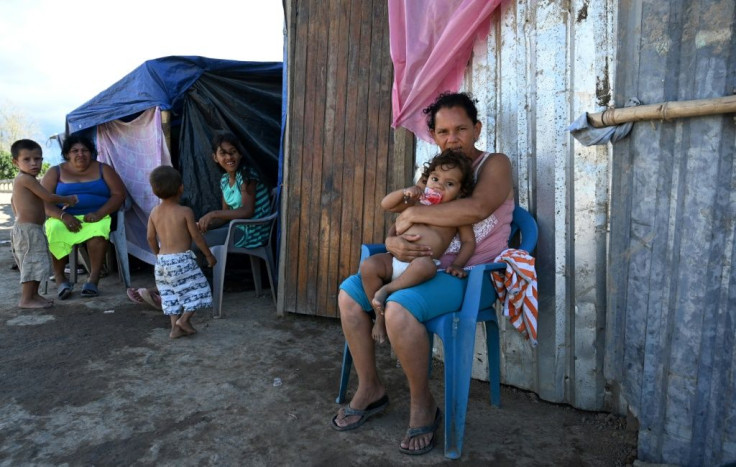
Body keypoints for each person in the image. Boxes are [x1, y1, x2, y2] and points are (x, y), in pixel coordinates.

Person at [331, 92, 515, 456]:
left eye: (461, 129)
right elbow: (403, 213)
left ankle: (423, 404)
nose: (453, 138)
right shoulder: (435, 172)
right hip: (417, 264)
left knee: (399, 308)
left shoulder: (494, 164)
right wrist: (393, 240)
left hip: (469, 274)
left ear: (476, 129)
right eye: (443, 131)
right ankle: (370, 388)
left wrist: (413, 217)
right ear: (433, 135)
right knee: (350, 296)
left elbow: (476, 208)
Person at [361, 149, 475, 344]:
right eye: (435, 179)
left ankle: (387, 289)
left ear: (461, 192)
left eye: (449, 184)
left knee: (427, 266)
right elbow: (385, 204)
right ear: (427, 178)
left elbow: (468, 241)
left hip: (419, 268)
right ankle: (379, 318)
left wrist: (458, 264)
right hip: (395, 260)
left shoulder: (456, 213)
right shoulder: (418, 202)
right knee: (368, 266)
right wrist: (405, 192)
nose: (439, 187)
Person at [41, 135, 126, 299]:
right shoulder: (55, 172)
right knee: (54, 229)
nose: (80, 154)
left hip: (96, 216)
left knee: (98, 231)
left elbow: (119, 194)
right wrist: (63, 215)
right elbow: (43, 202)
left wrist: (99, 213)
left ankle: (93, 280)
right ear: (67, 154)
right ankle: (60, 279)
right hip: (63, 218)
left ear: (91, 153)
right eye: (75, 151)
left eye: (84, 150)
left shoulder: (103, 169)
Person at [147, 165, 216, 339]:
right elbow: (196, 237)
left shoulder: (154, 212)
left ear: (155, 192)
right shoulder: (185, 211)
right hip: (181, 260)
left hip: (162, 261)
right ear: (181, 188)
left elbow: (150, 238)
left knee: (171, 295)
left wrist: (158, 255)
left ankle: (174, 328)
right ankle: (184, 320)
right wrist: (208, 255)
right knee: (199, 289)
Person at [10, 139, 78, 308]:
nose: (34, 163)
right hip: (28, 231)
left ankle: (34, 295)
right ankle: (26, 299)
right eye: (27, 159)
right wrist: (67, 199)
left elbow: (13, 202)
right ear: (15, 162)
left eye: (38, 159)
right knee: (31, 263)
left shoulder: (24, 179)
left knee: (37, 262)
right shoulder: (26, 179)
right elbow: (48, 197)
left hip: (30, 229)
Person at [195, 132, 271, 252]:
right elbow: (225, 215)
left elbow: (247, 211)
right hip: (237, 227)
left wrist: (213, 214)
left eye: (233, 152)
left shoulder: (247, 175)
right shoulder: (225, 180)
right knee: (195, 234)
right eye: (223, 153)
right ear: (215, 157)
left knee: (195, 242)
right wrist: (203, 225)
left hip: (253, 233)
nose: (229, 157)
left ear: (240, 154)